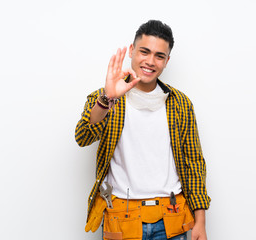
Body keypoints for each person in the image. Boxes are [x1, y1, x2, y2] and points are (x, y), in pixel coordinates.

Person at [75, 20, 210, 240]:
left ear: (167, 61)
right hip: (121, 217)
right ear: (131, 50)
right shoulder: (106, 97)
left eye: (159, 55)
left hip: (171, 218)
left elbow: (194, 162)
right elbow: (82, 137)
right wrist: (107, 99)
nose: (150, 61)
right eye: (144, 51)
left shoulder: (180, 103)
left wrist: (201, 222)